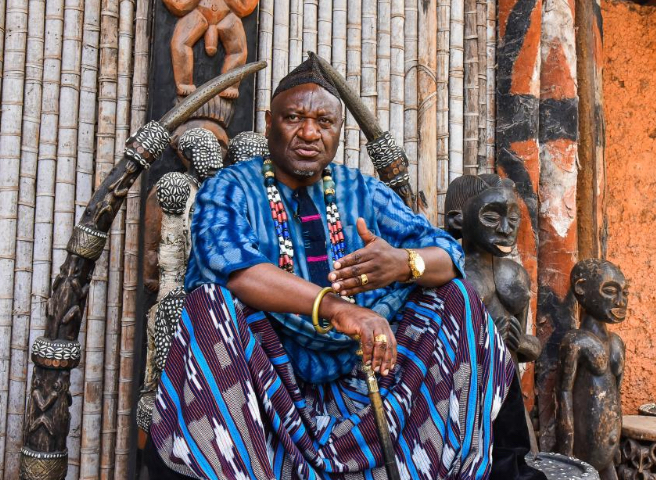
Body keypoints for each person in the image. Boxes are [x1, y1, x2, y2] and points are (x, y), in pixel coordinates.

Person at [147, 55, 545, 480]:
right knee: (209, 305)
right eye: (294, 118)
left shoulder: (361, 190)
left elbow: (448, 255)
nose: (309, 133)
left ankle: (499, 471)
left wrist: (403, 263)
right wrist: (339, 308)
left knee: (455, 295)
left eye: (324, 121)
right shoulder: (230, 188)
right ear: (269, 122)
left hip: (368, 380)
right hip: (264, 390)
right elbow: (235, 269)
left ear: (339, 130)